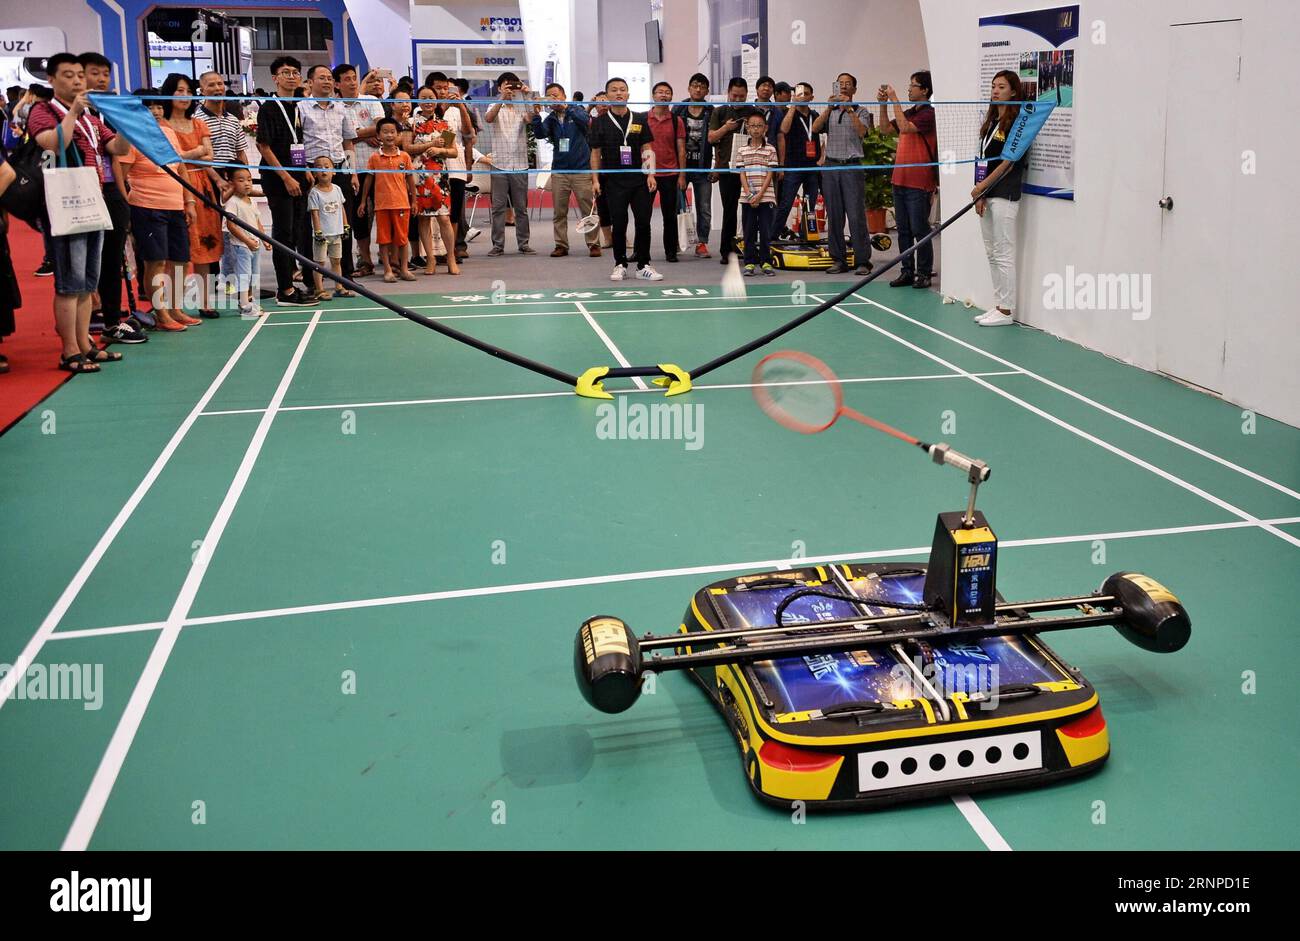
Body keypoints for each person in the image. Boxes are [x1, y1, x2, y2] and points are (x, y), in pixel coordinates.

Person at [26, 53, 132, 372]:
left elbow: (118, 149)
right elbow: (54, 143)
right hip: (63, 205)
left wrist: (127, 123)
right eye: (68, 75)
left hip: (92, 201)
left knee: (88, 282)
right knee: (69, 284)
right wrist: (73, 112)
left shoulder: (91, 117)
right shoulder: (43, 111)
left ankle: (86, 344)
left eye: (79, 76)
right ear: (52, 80)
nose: (76, 81)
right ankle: (69, 350)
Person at [79, 52, 147, 344]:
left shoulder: (101, 116)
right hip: (82, 192)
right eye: (95, 73)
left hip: (110, 192)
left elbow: (117, 148)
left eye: (106, 74)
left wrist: (127, 122)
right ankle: (79, 328)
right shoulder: (71, 113)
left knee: (112, 260)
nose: (102, 79)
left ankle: (110, 321)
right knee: (83, 262)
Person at [118, 86, 195, 332]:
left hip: (175, 206)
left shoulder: (168, 133)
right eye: (149, 107)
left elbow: (181, 169)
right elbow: (122, 176)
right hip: (147, 207)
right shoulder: (132, 137)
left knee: (181, 261)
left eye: (159, 106)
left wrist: (189, 202)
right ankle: (161, 314)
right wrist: (125, 209)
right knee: (157, 262)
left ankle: (175, 308)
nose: (156, 111)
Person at [160, 73, 222, 319]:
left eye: (187, 91)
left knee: (206, 244)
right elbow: (172, 159)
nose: (184, 96)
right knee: (178, 248)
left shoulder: (199, 123)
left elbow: (210, 156)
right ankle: (171, 305)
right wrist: (195, 151)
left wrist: (188, 153)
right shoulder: (162, 124)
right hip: (175, 185)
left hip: (203, 185)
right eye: (178, 91)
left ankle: (205, 301)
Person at [589, 77, 662, 282]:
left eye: (622, 90)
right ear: (607, 96)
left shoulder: (639, 118)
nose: (619, 93)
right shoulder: (600, 122)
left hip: (638, 180)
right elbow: (595, 153)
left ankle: (643, 265)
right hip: (613, 181)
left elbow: (646, 148)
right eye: (614, 90)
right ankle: (619, 263)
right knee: (619, 224)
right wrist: (595, 180)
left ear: (628, 95)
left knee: (643, 222)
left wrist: (650, 174)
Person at [256, 55, 315, 305]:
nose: (291, 76)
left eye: (295, 72)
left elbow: (298, 143)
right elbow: (264, 146)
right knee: (282, 232)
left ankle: (291, 282)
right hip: (278, 178)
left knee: (295, 231)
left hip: (298, 175)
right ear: (275, 78)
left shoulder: (299, 105)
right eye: (286, 72)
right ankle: (285, 291)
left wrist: (304, 172)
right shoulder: (269, 107)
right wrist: (287, 177)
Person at [971, 70, 1025, 327]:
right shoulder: (991, 121)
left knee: (1003, 252)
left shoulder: (1018, 124)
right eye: (993, 86)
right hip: (986, 193)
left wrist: (982, 186)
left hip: (1005, 193)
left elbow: (1008, 164)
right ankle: (998, 305)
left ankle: (1007, 311)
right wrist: (979, 192)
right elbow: (982, 158)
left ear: (1013, 91)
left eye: (1001, 87)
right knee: (991, 252)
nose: (995, 91)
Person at [878, 71, 938, 290]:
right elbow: (885, 129)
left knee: (920, 229)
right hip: (900, 180)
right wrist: (884, 105)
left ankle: (923, 273)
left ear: (924, 90)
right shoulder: (910, 112)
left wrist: (894, 99)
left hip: (919, 182)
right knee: (903, 230)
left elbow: (904, 128)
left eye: (913, 86)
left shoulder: (928, 115)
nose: (909, 89)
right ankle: (907, 271)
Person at [297, 64, 356, 286]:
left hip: (339, 169)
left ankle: (346, 277)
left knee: (343, 222)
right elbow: (297, 143)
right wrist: (304, 169)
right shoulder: (301, 107)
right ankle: (312, 281)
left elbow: (348, 141)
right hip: (312, 170)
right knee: (309, 226)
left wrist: (352, 173)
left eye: (330, 78)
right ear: (310, 82)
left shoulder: (341, 108)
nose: (328, 81)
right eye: (322, 78)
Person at [196, 71, 251, 304]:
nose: (217, 88)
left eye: (220, 84)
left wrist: (245, 178)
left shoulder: (232, 119)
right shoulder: (198, 118)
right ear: (202, 89)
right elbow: (200, 157)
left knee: (234, 231)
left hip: (232, 178)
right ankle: (210, 286)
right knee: (210, 231)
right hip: (209, 179)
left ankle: (234, 282)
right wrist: (217, 180)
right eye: (211, 85)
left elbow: (240, 151)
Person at [812, 72, 873, 275]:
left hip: (851, 167)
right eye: (840, 84)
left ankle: (863, 260)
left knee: (856, 216)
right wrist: (828, 108)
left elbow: (862, 132)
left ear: (855, 89)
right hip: (831, 167)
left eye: (848, 84)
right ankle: (838, 259)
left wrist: (849, 110)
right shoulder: (829, 111)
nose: (844, 87)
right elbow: (815, 128)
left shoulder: (862, 111)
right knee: (835, 216)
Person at [529, 82, 599, 257]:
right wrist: (536, 115)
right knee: (559, 211)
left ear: (563, 96)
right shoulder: (551, 118)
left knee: (587, 209)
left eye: (555, 95)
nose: (553, 99)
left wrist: (567, 108)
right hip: (559, 171)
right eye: (549, 96)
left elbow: (586, 122)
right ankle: (561, 245)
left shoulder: (577, 110)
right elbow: (539, 134)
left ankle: (593, 244)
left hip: (581, 170)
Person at [334, 64, 386, 277]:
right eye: (347, 79)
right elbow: (338, 136)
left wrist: (354, 134)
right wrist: (364, 135)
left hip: (378, 168)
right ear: (338, 84)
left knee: (384, 214)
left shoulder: (371, 101)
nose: (352, 82)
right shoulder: (335, 106)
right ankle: (364, 260)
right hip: (351, 170)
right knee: (358, 218)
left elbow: (382, 127)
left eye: (354, 78)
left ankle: (389, 258)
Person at [408, 87, 461, 276]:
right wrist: (430, 145)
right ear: (418, 101)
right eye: (424, 98)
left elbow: (453, 151)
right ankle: (430, 258)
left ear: (437, 101)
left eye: (431, 98)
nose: (428, 101)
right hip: (420, 175)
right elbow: (408, 148)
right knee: (423, 219)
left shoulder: (445, 125)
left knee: (444, 218)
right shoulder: (411, 124)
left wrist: (440, 151)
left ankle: (450, 258)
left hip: (440, 176)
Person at [358, 117, 416, 282]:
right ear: (378, 135)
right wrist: (363, 201)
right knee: (384, 240)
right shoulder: (374, 158)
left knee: (402, 239)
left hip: (402, 204)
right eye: (385, 132)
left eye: (393, 132)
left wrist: (414, 201)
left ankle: (404, 269)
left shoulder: (404, 157)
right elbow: (368, 180)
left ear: (398, 135)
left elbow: (410, 180)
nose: (389, 135)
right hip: (382, 205)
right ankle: (388, 270)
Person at [482, 72, 534, 256]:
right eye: (506, 86)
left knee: (521, 208)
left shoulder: (522, 105)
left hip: (520, 163)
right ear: (499, 88)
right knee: (498, 207)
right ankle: (498, 245)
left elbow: (531, 119)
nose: (511, 89)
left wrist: (527, 96)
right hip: (499, 163)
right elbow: (488, 118)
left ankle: (524, 243)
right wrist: (502, 98)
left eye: (513, 85)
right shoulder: (494, 104)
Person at [428, 72, 476, 264]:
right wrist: (445, 107)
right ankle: (434, 251)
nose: (443, 91)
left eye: (446, 88)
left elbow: (468, 132)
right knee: (436, 211)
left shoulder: (457, 109)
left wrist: (461, 107)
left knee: (454, 211)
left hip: (456, 167)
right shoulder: (424, 109)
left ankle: (453, 250)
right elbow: (442, 135)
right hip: (434, 167)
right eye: (438, 88)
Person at [708, 77, 751, 265]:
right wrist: (726, 127)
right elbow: (711, 138)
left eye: (742, 96)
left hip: (750, 169)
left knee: (751, 210)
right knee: (729, 210)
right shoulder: (719, 112)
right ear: (728, 93)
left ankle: (750, 247)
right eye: (735, 95)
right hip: (726, 168)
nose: (739, 99)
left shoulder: (753, 112)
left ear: (747, 95)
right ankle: (727, 250)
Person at [671, 73, 713, 258]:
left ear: (707, 91)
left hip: (703, 168)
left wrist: (716, 167)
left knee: (704, 208)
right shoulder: (678, 109)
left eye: (702, 86)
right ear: (689, 88)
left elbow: (717, 141)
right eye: (695, 85)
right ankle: (675, 241)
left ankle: (702, 243)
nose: (698, 89)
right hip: (681, 167)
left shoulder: (711, 111)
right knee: (675, 206)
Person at [775, 82, 822, 242]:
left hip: (812, 167)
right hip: (793, 166)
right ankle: (773, 236)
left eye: (806, 93)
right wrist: (794, 105)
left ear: (811, 97)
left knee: (810, 204)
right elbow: (784, 130)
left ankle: (805, 236)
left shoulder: (815, 115)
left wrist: (822, 158)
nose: (803, 96)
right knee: (786, 202)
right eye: (799, 93)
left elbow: (824, 134)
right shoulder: (789, 114)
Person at [646, 82, 686, 263]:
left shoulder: (677, 121)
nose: (664, 95)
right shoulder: (643, 119)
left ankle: (671, 251)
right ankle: (640, 252)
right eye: (660, 92)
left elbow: (681, 150)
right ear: (653, 96)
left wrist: (682, 175)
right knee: (643, 217)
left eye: (667, 92)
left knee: (669, 216)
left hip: (670, 174)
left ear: (671, 97)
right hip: (649, 175)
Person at [224, 167, 270, 318]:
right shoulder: (232, 202)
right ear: (231, 183)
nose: (247, 183)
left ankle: (251, 301)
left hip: (254, 245)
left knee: (254, 275)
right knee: (244, 275)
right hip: (241, 245)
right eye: (241, 180)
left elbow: (257, 222)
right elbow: (231, 225)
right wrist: (246, 241)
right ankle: (244, 305)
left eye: (249, 180)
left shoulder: (252, 201)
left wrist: (264, 239)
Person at [307, 157, 355, 298]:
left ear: (333, 171)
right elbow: (314, 214)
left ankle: (339, 287)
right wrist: (318, 232)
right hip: (322, 235)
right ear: (314, 173)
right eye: (319, 167)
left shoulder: (338, 189)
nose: (324, 170)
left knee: (336, 261)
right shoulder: (314, 193)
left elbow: (342, 209)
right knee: (319, 263)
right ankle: (319, 289)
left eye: (327, 167)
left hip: (336, 233)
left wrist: (346, 226)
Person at [737, 113, 778, 277]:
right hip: (747, 198)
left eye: (759, 125)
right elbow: (742, 173)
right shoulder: (742, 150)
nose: (756, 129)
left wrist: (760, 195)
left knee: (766, 231)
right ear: (747, 128)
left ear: (765, 128)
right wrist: (749, 194)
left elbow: (770, 174)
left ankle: (766, 262)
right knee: (749, 231)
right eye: (752, 125)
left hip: (766, 196)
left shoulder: (770, 149)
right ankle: (749, 263)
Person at [589, 91, 614, 249]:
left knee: (619, 206)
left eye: (606, 101)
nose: (604, 104)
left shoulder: (617, 119)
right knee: (602, 205)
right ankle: (608, 239)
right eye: (600, 101)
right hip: (598, 168)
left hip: (616, 169)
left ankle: (622, 237)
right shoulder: (592, 121)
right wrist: (589, 106)